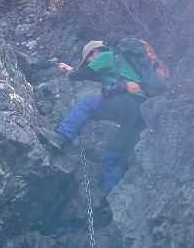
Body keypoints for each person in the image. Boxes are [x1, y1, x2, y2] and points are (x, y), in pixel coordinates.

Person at [39, 40, 147, 191]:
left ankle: (61, 136)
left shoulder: (107, 55)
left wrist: (71, 74)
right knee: (111, 156)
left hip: (129, 102)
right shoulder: (117, 66)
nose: (89, 62)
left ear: (95, 52)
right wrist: (70, 70)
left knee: (86, 106)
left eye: (88, 59)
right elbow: (91, 75)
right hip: (139, 113)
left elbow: (84, 73)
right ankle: (114, 195)